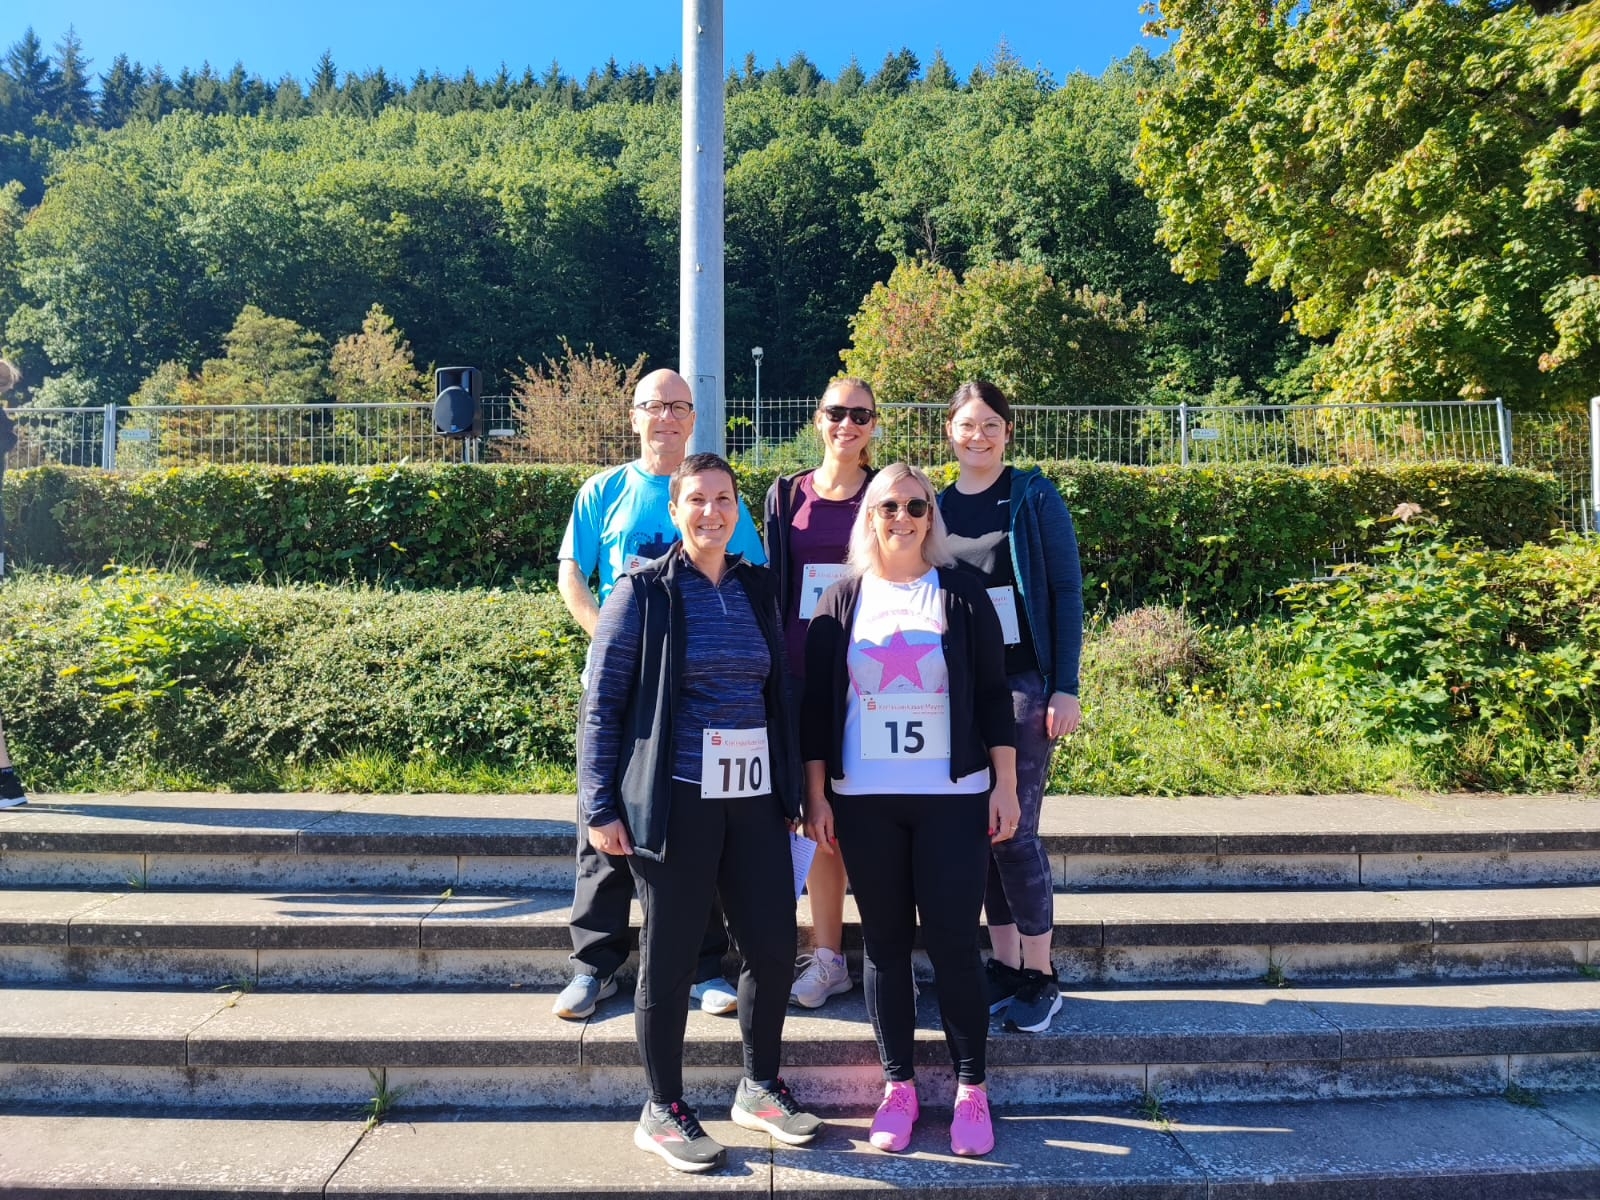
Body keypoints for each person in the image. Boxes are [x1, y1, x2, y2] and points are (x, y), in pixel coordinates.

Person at [582, 451, 822, 1172]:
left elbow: (778, 693)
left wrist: (790, 792)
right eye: (697, 499)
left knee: (772, 947)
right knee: (671, 955)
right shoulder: (643, 591)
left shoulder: (755, 587)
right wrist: (599, 804)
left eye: (724, 499)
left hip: (753, 800)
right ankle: (662, 1108)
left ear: (738, 510)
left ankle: (759, 1087)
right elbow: (603, 704)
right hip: (677, 799)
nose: (712, 512)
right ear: (676, 509)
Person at [801, 463, 1018, 1159]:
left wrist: (1005, 785)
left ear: (931, 516)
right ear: (870, 516)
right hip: (866, 801)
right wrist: (816, 795)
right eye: (889, 505)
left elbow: (994, 696)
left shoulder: (962, 592)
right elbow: (815, 709)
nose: (903, 517)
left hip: (953, 799)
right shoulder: (842, 598)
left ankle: (971, 1088)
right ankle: (898, 1086)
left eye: (916, 506)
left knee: (954, 943)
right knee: (886, 945)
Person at [553, 368, 767, 1021]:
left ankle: (702, 966)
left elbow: (749, 578)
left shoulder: (717, 495)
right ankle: (594, 965)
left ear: (693, 418)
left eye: (679, 406)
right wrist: (614, 642)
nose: (667, 417)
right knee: (605, 823)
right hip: (624, 692)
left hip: (699, 701)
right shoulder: (604, 490)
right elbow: (572, 574)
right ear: (635, 415)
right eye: (654, 405)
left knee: (694, 828)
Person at [939, 382, 1083, 1034]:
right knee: (980, 830)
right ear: (950, 430)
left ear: (1008, 431)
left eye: (991, 425)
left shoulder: (1032, 496)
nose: (979, 436)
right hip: (960, 689)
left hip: (1024, 683)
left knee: (1015, 828)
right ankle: (1003, 964)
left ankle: (1041, 974)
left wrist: (1065, 686)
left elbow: (1065, 591)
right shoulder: (936, 505)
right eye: (968, 425)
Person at [762, 378, 876, 1009]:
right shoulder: (786, 495)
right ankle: (829, 956)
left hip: (875, 677)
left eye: (860, 414)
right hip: (801, 675)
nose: (847, 424)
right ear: (818, 418)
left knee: (875, 814)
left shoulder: (887, 494)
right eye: (836, 412)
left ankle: (887, 955)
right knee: (817, 814)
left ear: (873, 425)